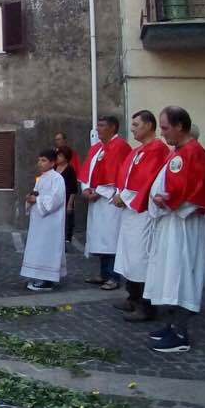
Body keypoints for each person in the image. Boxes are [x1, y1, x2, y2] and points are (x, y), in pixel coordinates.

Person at [138, 106, 205, 352]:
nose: (162, 133)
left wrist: (168, 202)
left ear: (180, 126)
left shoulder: (194, 153)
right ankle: (172, 325)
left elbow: (199, 193)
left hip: (184, 226)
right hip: (171, 223)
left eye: (165, 128)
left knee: (182, 275)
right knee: (170, 274)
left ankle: (181, 334)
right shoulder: (180, 152)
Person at [112, 110, 169, 322]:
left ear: (149, 125)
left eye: (136, 125)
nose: (133, 128)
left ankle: (147, 306)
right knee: (129, 256)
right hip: (130, 213)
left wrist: (124, 197)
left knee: (141, 258)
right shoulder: (137, 151)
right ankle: (133, 296)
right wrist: (119, 193)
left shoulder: (157, 150)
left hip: (143, 211)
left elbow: (148, 181)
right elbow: (127, 177)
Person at [79, 115, 132, 291]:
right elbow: (88, 171)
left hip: (110, 202)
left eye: (102, 125)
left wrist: (100, 192)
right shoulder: (96, 148)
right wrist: (86, 188)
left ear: (112, 127)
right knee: (100, 239)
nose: (98, 129)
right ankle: (103, 273)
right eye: (98, 125)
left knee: (111, 239)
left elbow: (121, 176)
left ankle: (113, 276)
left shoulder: (120, 147)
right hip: (96, 202)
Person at [20, 149, 67, 291]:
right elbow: (37, 195)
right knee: (38, 247)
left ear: (52, 163)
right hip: (39, 221)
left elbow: (56, 199)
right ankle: (38, 275)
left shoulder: (57, 178)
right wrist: (30, 198)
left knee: (48, 248)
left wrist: (37, 200)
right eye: (39, 160)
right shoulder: (41, 178)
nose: (40, 163)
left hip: (51, 221)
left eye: (44, 160)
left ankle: (47, 280)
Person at [54, 147, 78, 244]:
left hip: (66, 197)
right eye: (58, 155)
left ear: (66, 158)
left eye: (60, 156)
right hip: (55, 198)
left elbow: (73, 188)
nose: (58, 157)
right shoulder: (54, 168)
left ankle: (67, 238)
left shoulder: (70, 169)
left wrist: (70, 204)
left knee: (67, 219)